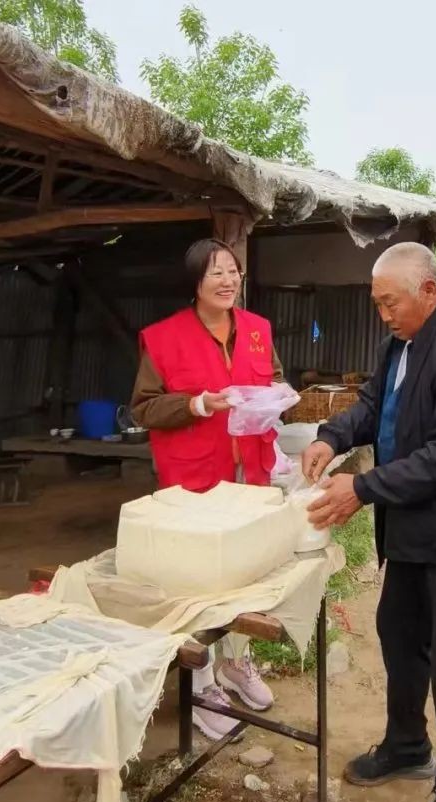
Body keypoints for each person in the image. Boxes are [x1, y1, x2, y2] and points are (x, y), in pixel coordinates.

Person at [301, 242, 436, 802]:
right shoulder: (401, 342)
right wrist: (332, 436)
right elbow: (372, 407)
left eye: (391, 303)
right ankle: (407, 744)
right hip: (411, 530)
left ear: (430, 291)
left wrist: (362, 489)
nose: (383, 314)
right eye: (378, 304)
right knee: (399, 638)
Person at [130, 237, 283, 740]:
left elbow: (275, 381)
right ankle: (198, 684)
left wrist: (276, 399)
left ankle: (235, 662)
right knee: (196, 585)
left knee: (244, 577)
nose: (228, 280)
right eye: (216, 272)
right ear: (195, 281)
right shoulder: (162, 337)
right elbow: (144, 408)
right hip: (195, 480)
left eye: (233, 270)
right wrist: (197, 405)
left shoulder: (258, 330)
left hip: (250, 477)